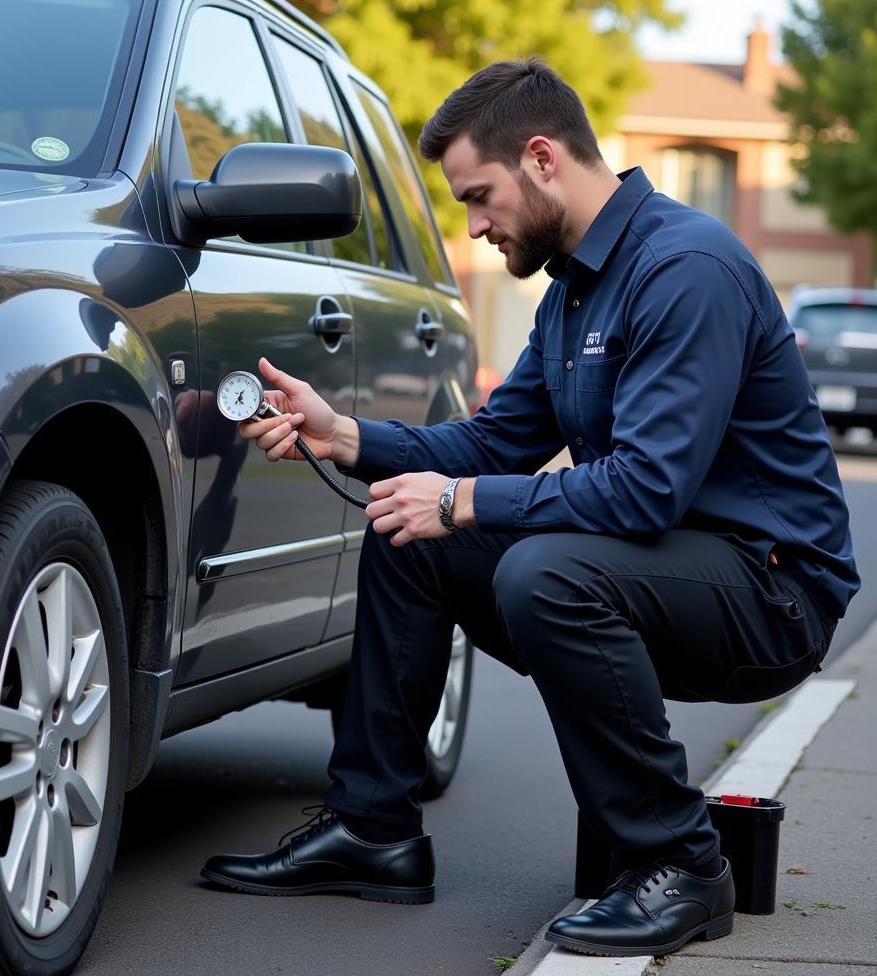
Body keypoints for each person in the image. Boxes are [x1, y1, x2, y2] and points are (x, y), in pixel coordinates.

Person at [200, 58, 858, 958]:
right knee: (407, 524)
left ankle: (682, 864)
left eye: (478, 196)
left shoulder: (686, 267)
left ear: (542, 159)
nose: (473, 229)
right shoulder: (573, 294)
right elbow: (485, 447)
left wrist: (464, 501)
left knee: (545, 570)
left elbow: (644, 488)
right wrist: (344, 437)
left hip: (772, 590)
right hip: (667, 565)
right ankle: (373, 830)